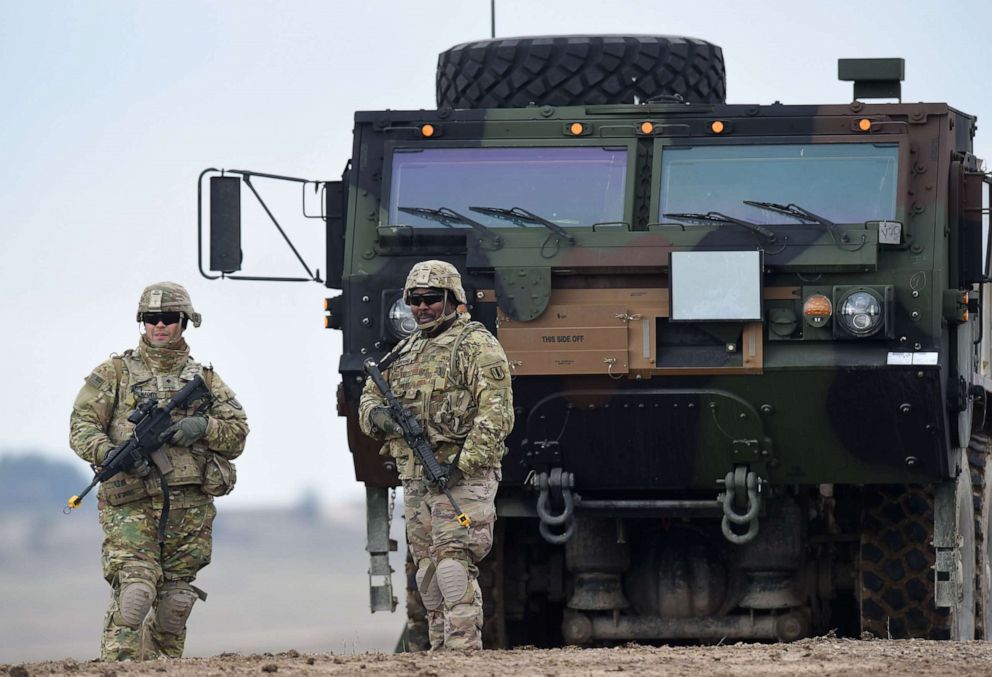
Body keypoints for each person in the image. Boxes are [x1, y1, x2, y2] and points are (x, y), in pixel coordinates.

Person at [69, 282, 249, 661]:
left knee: (175, 604)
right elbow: (81, 426)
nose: (160, 327)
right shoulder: (115, 373)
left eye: (168, 318)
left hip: (190, 507)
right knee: (135, 592)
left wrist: (202, 428)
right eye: (151, 319)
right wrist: (110, 451)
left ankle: (162, 668)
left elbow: (237, 434)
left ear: (185, 322)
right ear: (142, 323)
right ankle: (117, 667)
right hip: (130, 502)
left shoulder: (206, 380)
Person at [359, 260, 514, 651]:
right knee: (427, 574)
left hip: (461, 478)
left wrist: (460, 465)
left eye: (431, 298)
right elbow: (369, 400)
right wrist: (383, 419)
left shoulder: (476, 345)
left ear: (453, 299)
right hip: (417, 478)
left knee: (452, 566)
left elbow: (496, 414)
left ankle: (462, 653)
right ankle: (440, 654)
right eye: (414, 299)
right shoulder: (406, 350)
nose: (421, 307)